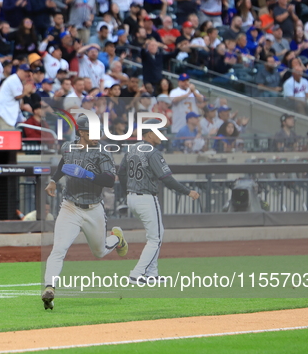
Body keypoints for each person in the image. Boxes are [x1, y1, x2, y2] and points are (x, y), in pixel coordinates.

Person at [41, 115, 128, 310]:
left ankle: (117, 239)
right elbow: (64, 163)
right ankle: (49, 289)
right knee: (58, 249)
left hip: (94, 208)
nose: (96, 136)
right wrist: (54, 180)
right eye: (91, 132)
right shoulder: (68, 147)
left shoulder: (102, 152)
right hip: (70, 207)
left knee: (100, 252)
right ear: (80, 132)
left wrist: (87, 174)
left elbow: (109, 179)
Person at [118, 123, 200, 285]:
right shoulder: (152, 153)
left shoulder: (132, 149)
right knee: (155, 239)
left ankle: (152, 274)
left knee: (157, 234)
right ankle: (137, 273)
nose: (162, 135)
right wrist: (187, 191)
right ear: (149, 135)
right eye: (159, 132)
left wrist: (127, 191)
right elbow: (166, 178)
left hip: (132, 197)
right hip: (147, 199)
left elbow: (121, 172)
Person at [0, 64, 33, 129]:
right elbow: (17, 96)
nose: (27, 74)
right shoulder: (14, 79)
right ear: (19, 70)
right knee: (8, 136)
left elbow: (20, 102)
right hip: (3, 114)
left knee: (10, 136)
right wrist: (25, 92)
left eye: (28, 72)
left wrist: (29, 80)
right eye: (25, 71)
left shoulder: (18, 81)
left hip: (8, 115)